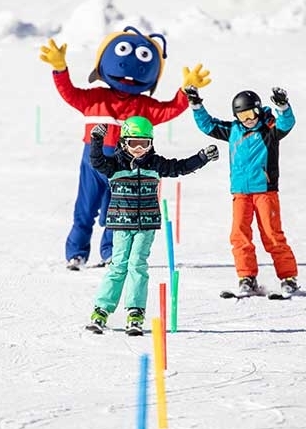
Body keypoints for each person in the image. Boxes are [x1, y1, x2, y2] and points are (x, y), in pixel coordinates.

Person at [39, 26, 211, 271]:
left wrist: (186, 92)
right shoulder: (95, 98)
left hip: (122, 167)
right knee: (84, 209)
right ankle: (76, 253)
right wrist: (60, 69)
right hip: (92, 161)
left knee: (116, 211)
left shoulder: (144, 105)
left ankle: (110, 253)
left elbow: (169, 109)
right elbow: (70, 93)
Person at [86, 116, 219, 335]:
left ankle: (135, 312)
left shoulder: (155, 164)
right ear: (122, 143)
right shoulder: (115, 164)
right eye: (133, 144)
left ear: (151, 143)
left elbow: (180, 167)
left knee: (137, 264)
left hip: (146, 224)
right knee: (119, 264)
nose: (139, 149)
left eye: (144, 144)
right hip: (121, 223)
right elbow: (97, 161)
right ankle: (101, 310)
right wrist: (97, 139)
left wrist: (202, 157)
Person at [184, 85, 299, 297]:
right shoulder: (233, 130)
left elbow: (287, 123)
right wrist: (196, 105)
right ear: (236, 116)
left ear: (258, 110)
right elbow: (208, 125)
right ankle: (246, 277)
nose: (248, 119)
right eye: (242, 115)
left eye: (251, 114)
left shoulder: (269, 129)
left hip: (265, 191)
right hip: (240, 193)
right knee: (239, 234)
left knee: (272, 234)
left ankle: (288, 277)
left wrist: (283, 107)